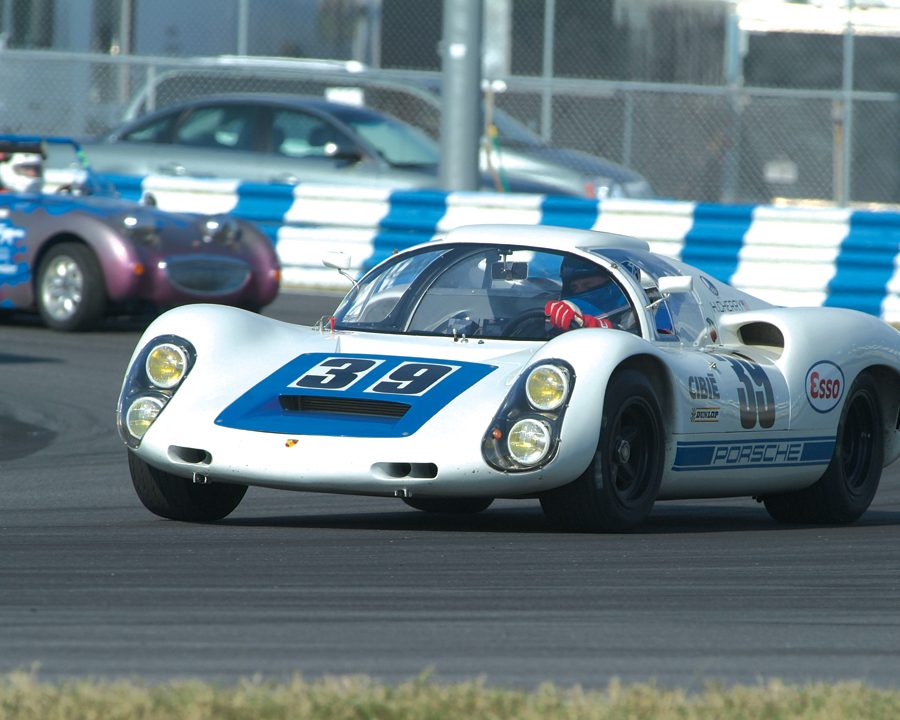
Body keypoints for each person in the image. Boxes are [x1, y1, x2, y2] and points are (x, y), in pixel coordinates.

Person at [544, 255, 629, 331]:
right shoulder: (561, 304)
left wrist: (590, 323)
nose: (580, 291)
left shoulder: (636, 312)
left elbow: (632, 339)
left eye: (588, 285)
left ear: (614, 283)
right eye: (574, 287)